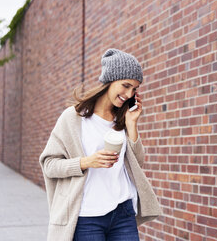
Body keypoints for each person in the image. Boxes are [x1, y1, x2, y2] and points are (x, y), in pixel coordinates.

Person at [39, 49, 162, 241]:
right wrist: (86, 162)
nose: (129, 94)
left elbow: (137, 163)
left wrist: (132, 125)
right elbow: (49, 165)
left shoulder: (123, 119)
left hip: (122, 212)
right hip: (87, 216)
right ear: (110, 81)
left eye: (135, 89)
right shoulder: (73, 118)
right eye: (126, 85)